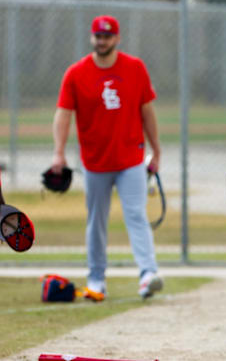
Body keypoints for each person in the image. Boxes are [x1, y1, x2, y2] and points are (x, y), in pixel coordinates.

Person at [51, 15, 163, 300]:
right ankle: (96, 278)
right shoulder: (76, 73)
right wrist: (59, 153)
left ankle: (148, 273)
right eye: (98, 36)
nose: (102, 41)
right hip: (95, 162)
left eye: (107, 36)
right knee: (96, 220)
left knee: (136, 215)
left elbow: (147, 112)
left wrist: (156, 150)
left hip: (131, 159)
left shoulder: (135, 68)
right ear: (92, 38)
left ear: (117, 38)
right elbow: (63, 115)